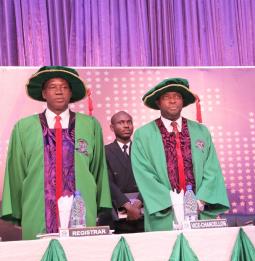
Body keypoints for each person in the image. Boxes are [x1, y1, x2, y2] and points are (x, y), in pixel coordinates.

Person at [1, 66, 112, 240]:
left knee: (84, 260)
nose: (59, 91)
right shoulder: (24, 127)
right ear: (44, 94)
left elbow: (98, 169)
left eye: (64, 87)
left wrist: (99, 205)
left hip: (80, 205)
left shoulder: (89, 125)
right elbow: (17, 171)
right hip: (37, 206)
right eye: (52, 87)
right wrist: (18, 210)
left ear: (71, 93)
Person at [131, 78, 230, 231]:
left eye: (177, 97)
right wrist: (173, 203)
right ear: (158, 102)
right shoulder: (143, 135)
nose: (172, 101)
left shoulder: (201, 131)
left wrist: (200, 201)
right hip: (164, 211)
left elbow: (212, 169)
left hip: (199, 210)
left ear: (183, 101)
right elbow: (144, 174)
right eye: (167, 97)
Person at [99, 111, 144, 233]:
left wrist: (138, 203)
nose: (126, 126)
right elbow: (106, 181)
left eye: (129, 122)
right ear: (111, 127)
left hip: (143, 210)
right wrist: (126, 205)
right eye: (121, 122)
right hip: (116, 211)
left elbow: (150, 178)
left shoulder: (143, 150)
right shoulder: (104, 151)